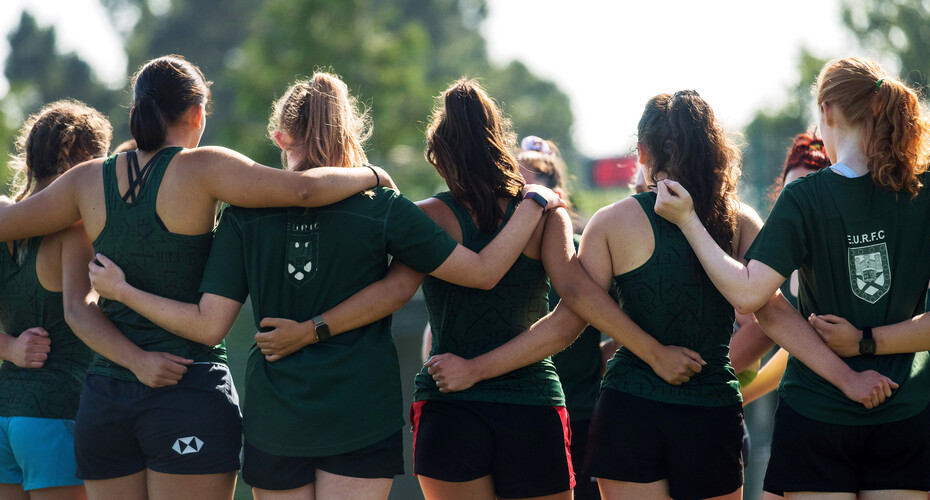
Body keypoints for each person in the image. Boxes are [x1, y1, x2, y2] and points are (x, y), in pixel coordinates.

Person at [88, 72, 563, 500]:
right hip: (361, 412)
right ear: (350, 133)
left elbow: (209, 322)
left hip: (276, 415)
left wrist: (123, 289)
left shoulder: (243, 215)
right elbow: (474, 273)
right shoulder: (385, 206)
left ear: (280, 136)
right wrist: (536, 201)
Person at [0, 56, 398, 500]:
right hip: (187, 389)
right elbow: (303, 189)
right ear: (197, 113)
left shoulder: (86, 179)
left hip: (105, 399)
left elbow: (12, 223)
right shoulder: (204, 166)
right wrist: (373, 174)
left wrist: (133, 358)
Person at [413, 82, 714, 500]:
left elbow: (389, 293)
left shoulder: (423, 218)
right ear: (500, 143)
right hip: (532, 407)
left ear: (437, 151)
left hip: (450, 406)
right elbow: (570, 312)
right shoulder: (546, 216)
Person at [655, 57, 930, 498]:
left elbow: (749, 295)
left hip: (818, 411)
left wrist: (689, 220)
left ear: (826, 112)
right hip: (906, 408)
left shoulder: (805, 196)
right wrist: (867, 340)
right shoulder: (921, 189)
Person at [0, 100, 111, 500]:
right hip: (55, 411)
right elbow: (81, 312)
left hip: (5, 413)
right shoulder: (73, 231)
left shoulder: (4, 222)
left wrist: (10, 349)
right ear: (80, 160)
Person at [516, 135, 603, 500]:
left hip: (582, 416)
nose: (525, 198)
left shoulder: (588, 252)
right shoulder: (497, 254)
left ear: (556, 192)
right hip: (518, 414)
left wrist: (601, 356)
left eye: (536, 188)